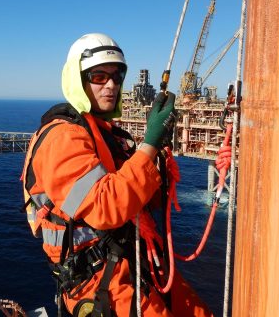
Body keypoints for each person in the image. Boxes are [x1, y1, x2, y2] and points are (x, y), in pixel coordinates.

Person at [22, 33, 212, 316]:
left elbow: (144, 200)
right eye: (99, 76)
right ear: (78, 79)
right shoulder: (62, 138)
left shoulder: (109, 137)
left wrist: (156, 156)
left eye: (117, 76)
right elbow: (104, 208)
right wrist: (149, 146)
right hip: (98, 281)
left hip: (135, 262)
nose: (111, 85)